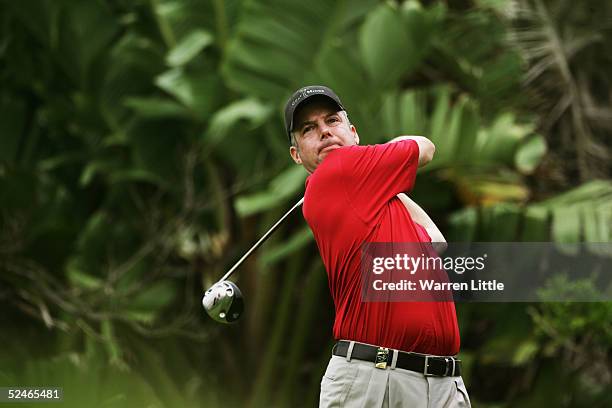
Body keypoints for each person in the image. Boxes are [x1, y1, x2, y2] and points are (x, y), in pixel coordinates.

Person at [284, 85, 471, 407]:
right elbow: (424, 147)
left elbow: (436, 243)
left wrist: (388, 183)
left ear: (353, 133)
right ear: (297, 155)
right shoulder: (337, 171)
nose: (325, 132)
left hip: (440, 383)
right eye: (308, 129)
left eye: (332, 121)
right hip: (376, 379)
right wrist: (388, 157)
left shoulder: (372, 199)